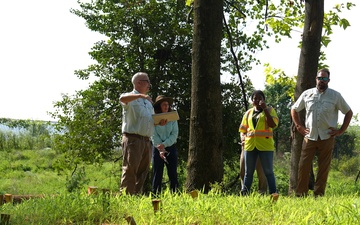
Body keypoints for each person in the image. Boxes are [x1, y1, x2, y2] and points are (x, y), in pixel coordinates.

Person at [291, 68, 352, 197]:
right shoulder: (307, 94)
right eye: (320, 78)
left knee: (323, 168)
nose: (321, 81)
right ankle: (300, 194)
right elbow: (294, 109)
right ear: (316, 79)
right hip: (309, 136)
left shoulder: (335, 96)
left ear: (328, 80)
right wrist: (299, 127)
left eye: (324, 78)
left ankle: (318, 194)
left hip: (327, 136)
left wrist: (341, 130)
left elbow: (348, 112)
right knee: (303, 166)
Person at [119, 72, 155, 195]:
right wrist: (140, 96)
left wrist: (159, 122)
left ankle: (135, 196)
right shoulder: (130, 97)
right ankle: (125, 196)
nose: (149, 85)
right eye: (147, 81)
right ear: (139, 83)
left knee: (143, 171)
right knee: (130, 170)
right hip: (133, 139)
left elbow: (149, 119)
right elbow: (122, 99)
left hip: (146, 140)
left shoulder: (148, 101)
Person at [239, 90, 279, 196]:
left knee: (268, 172)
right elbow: (242, 130)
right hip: (250, 146)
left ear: (264, 100)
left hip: (265, 146)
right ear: (252, 101)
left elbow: (273, 125)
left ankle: (273, 194)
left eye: (259, 98)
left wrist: (265, 109)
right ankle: (244, 194)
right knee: (248, 173)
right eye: (254, 99)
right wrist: (243, 137)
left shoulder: (270, 110)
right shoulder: (248, 113)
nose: (257, 101)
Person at [151, 95, 179, 195]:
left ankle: (175, 196)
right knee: (157, 174)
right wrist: (160, 148)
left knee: (173, 174)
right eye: (164, 105)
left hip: (170, 147)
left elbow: (174, 134)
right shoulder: (153, 119)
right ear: (159, 106)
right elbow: (153, 135)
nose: (166, 107)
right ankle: (155, 196)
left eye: (167, 105)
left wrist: (164, 144)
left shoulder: (173, 118)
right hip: (157, 148)